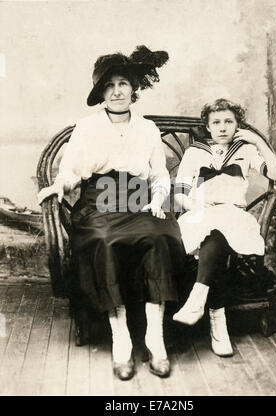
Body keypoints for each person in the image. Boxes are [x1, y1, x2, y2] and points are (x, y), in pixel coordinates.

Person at [38, 45, 185, 380]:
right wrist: (59, 186)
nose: (117, 91)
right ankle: (121, 339)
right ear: (101, 93)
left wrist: (159, 193)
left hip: (139, 196)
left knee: (159, 235)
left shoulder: (147, 128)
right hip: (98, 199)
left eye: (123, 83)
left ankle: (154, 338)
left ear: (133, 88)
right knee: (104, 241)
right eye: (109, 85)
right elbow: (72, 170)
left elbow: (159, 171)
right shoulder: (86, 127)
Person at [173, 98, 276, 356]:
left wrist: (259, 141)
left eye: (228, 121)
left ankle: (198, 300)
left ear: (237, 125)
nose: (222, 127)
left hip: (234, 215)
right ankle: (217, 322)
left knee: (221, 229)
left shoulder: (245, 150)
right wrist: (196, 203)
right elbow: (180, 190)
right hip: (201, 212)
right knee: (213, 233)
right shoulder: (195, 151)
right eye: (216, 122)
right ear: (207, 127)